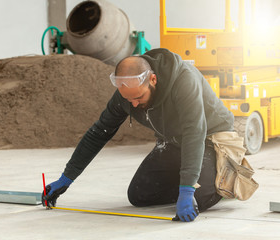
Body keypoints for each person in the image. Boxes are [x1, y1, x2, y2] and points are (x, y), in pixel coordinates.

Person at [42, 48, 234, 222]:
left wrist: (187, 189)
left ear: (153, 80)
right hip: (174, 141)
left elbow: (195, 132)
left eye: (139, 97)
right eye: (128, 99)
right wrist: (66, 178)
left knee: (200, 195)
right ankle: (192, 181)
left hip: (211, 139)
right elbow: (99, 132)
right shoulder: (127, 94)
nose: (133, 104)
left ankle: (220, 183)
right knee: (139, 195)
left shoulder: (184, 80)